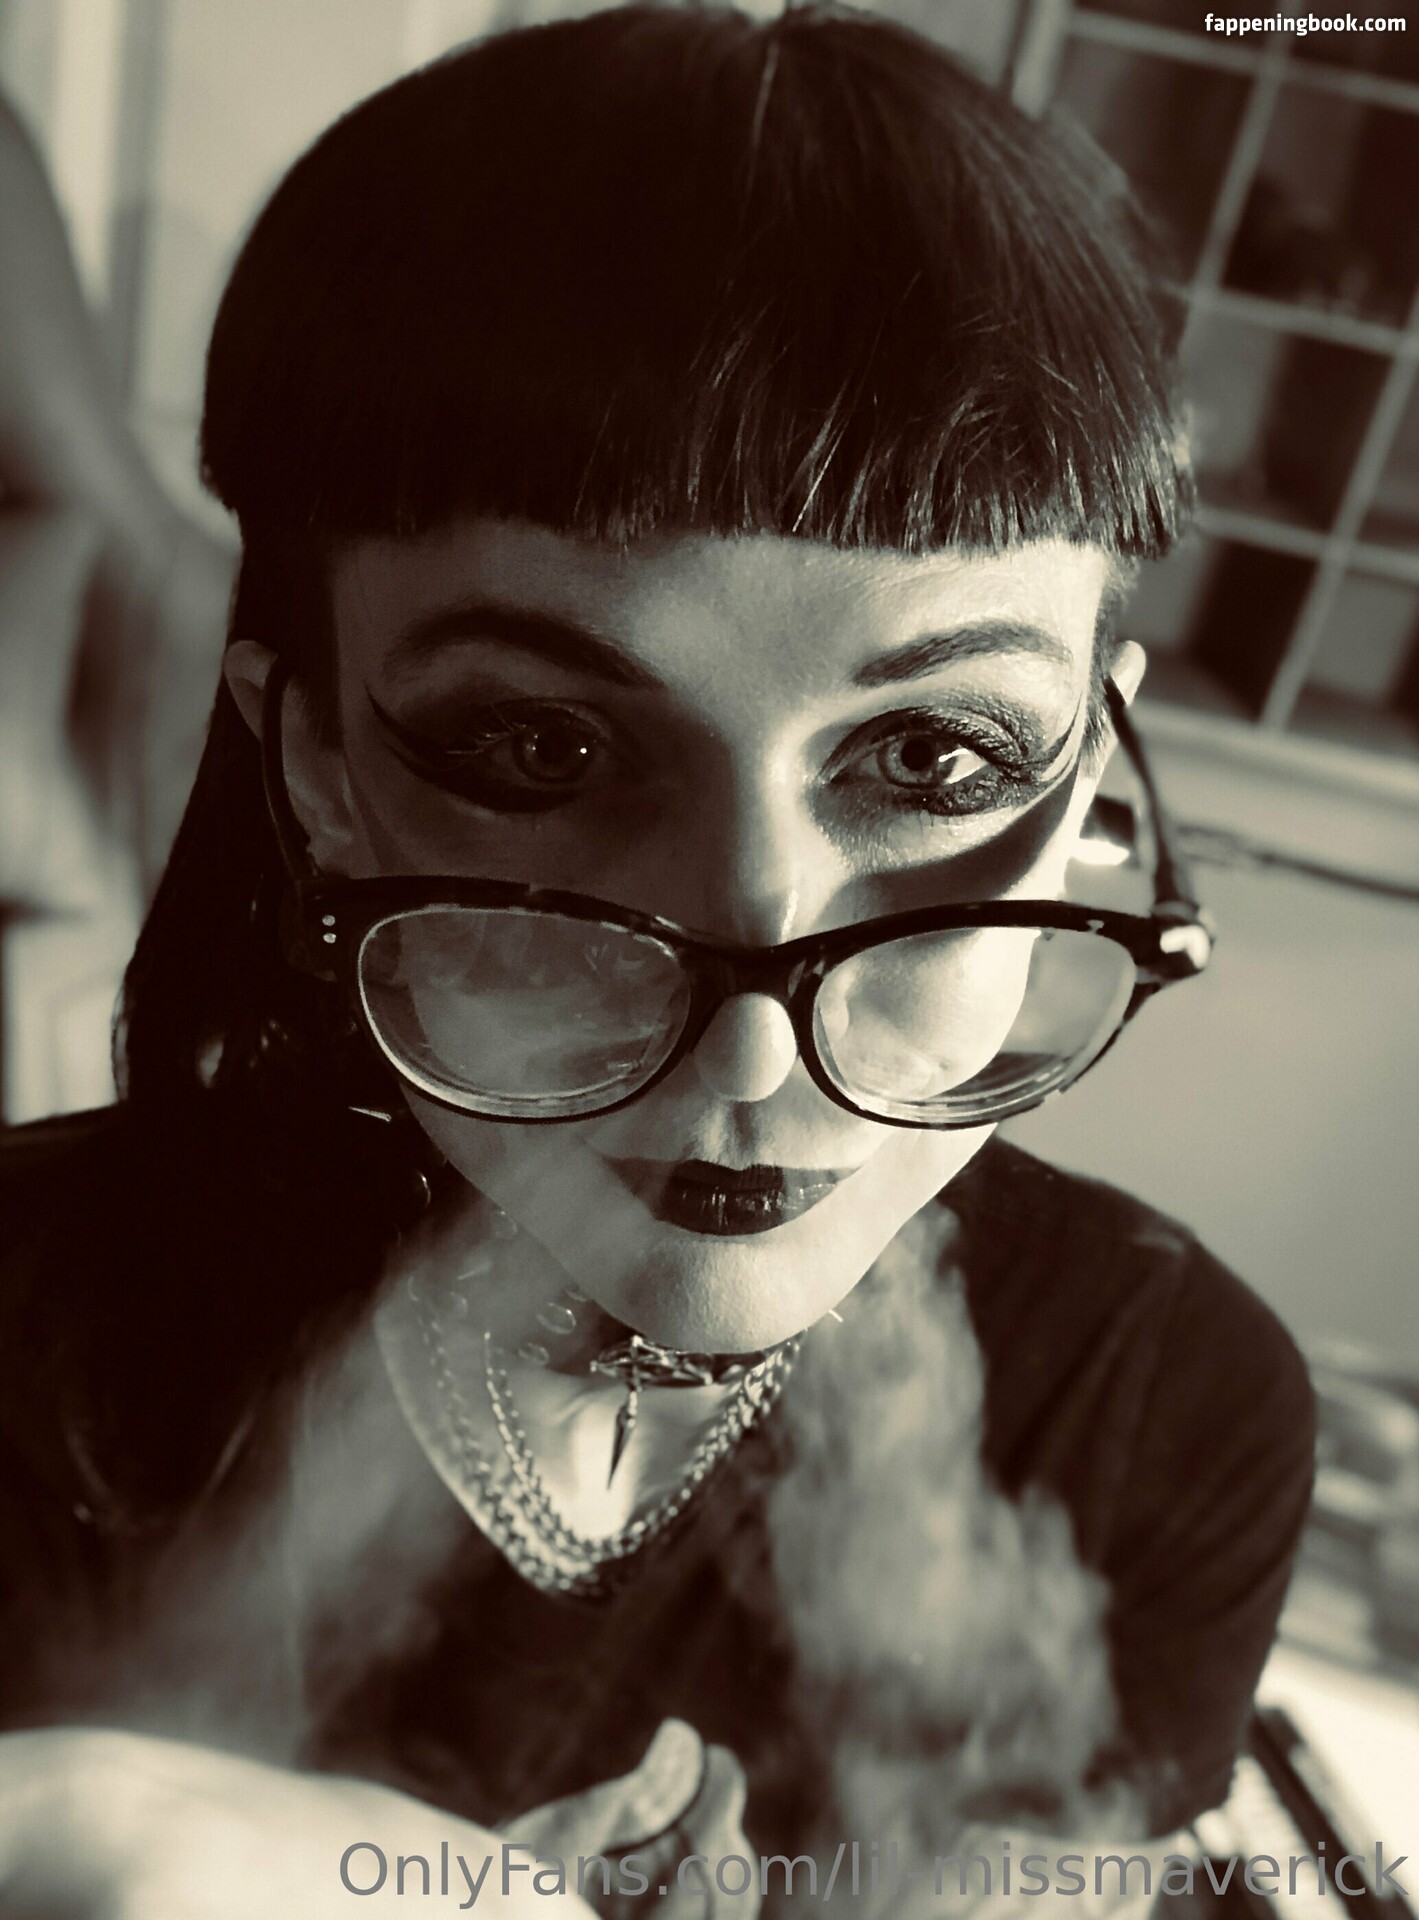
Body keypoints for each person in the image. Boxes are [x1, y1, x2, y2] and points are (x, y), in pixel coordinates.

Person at [0, 8, 1315, 1916]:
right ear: (316, 771)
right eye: (545, 747)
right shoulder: (30, 1333)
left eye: (933, 761)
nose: (755, 1032)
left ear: (1095, 774)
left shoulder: (1172, 1412)